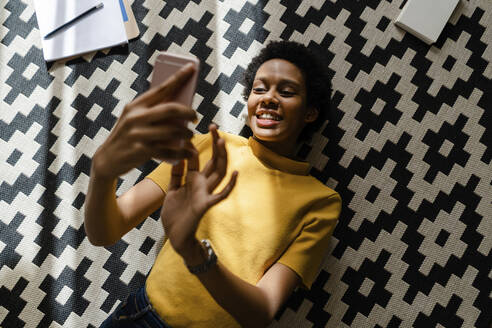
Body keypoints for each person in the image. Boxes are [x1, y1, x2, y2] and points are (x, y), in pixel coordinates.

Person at [85, 40, 342, 328]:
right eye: (259, 89)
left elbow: (261, 312)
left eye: (286, 91)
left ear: (310, 112)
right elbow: (104, 233)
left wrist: (193, 251)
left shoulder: (322, 202)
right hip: (139, 318)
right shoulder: (209, 145)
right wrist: (102, 174)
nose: (269, 98)